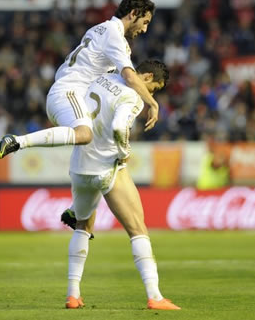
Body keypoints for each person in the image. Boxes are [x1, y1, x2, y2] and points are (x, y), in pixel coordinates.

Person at [62, 60, 180, 310]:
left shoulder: (103, 77)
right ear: (147, 77)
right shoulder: (133, 96)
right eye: (154, 88)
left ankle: (73, 294)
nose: (151, 95)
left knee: (83, 225)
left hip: (80, 164)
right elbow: (118, 127)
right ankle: (155, 296)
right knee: (138, 228)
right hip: (107, 166)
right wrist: (124, 151)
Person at [0, 0, 159, 158]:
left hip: (71, 95)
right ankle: (17, 141)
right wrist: (152, 104)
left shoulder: (100, 28)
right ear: (133, 14)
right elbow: (129, 77)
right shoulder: (114, 35)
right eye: (145, 22)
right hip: (69, 92)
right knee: (85, 135)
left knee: (92, 143)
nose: (145, 29)